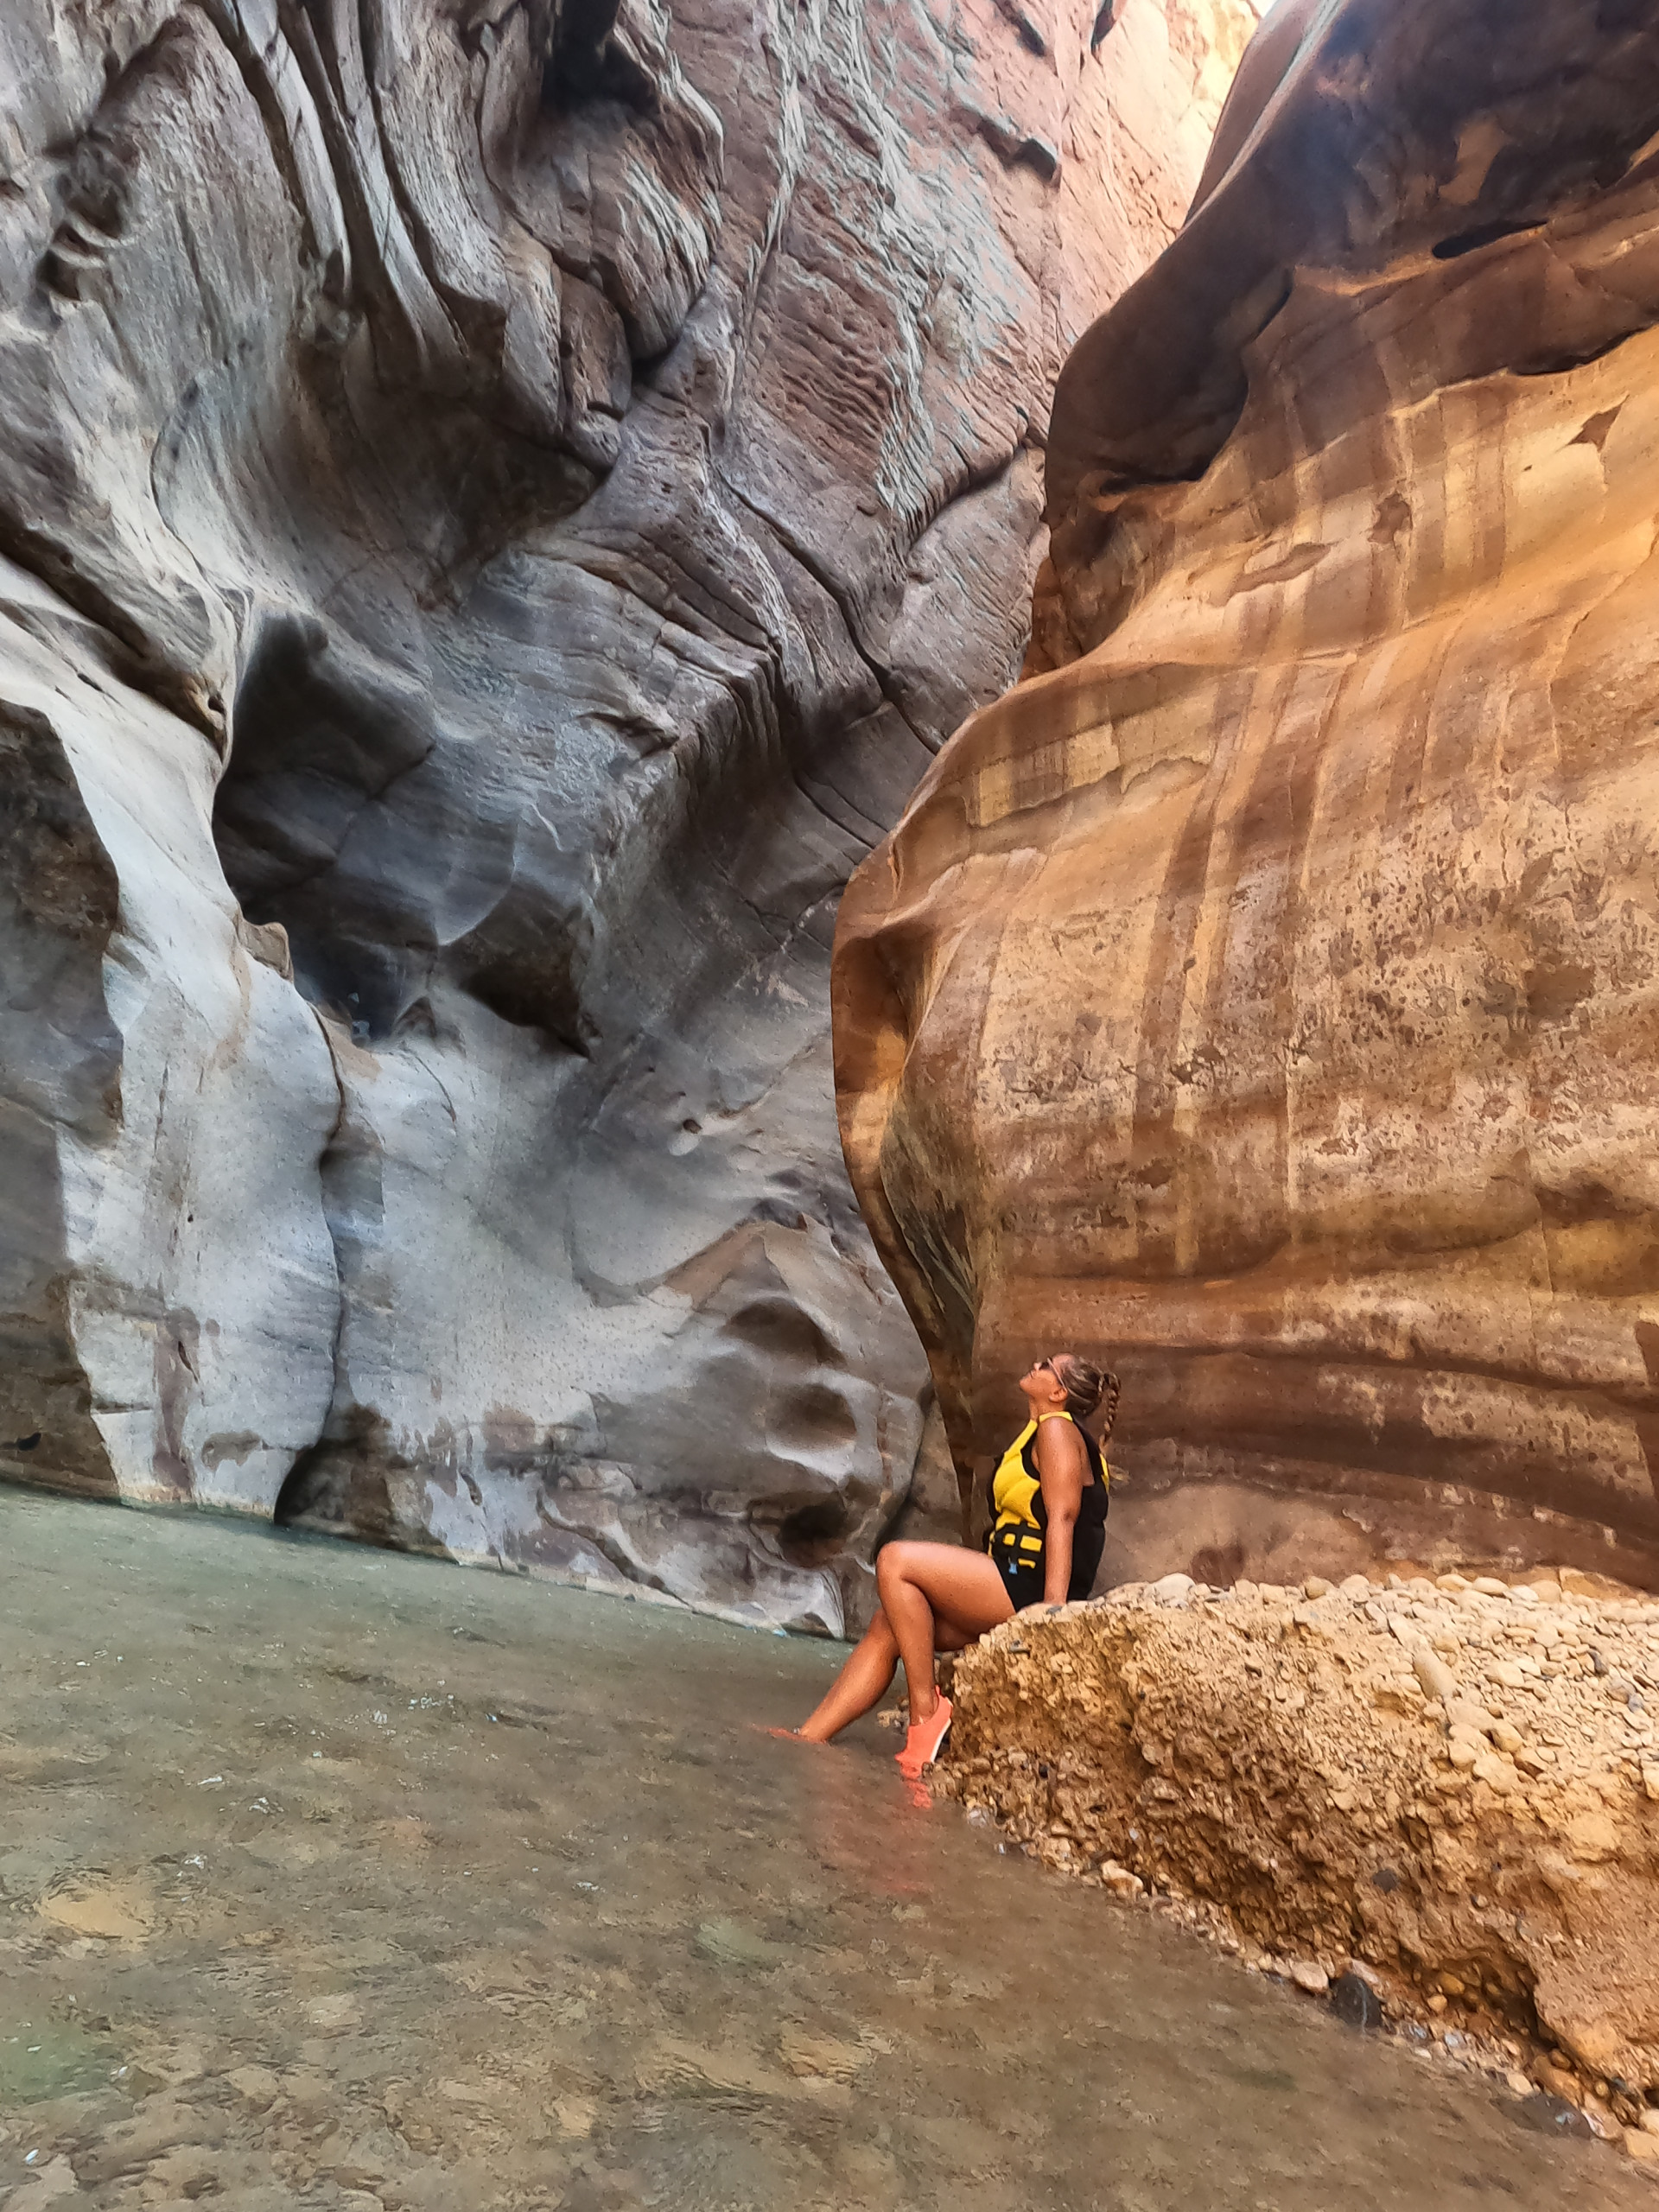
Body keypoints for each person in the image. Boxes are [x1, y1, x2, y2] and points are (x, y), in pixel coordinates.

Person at [783, 1353, 1119, 1778]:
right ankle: (809, 1737)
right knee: (889, 1625)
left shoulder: (1057, 1430)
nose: (1036, 1364)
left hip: (1030, 1590)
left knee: (895, 1560)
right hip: (1012, 1579)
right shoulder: (1044, 1431)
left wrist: (1049, 1616)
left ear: (1058, 1392)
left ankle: (926, 1713)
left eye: (1048, 1364)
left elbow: (1063, 1518)